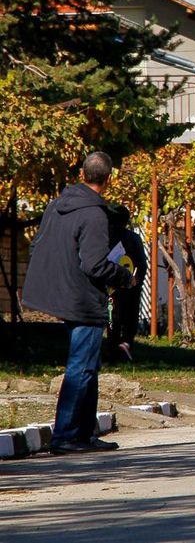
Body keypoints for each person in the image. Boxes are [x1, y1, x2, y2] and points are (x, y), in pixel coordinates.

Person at [22, 151, 134, 454]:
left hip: (58, 289)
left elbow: (38, 246)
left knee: (88, 365)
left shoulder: (57, 205)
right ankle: (66, 435)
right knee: (81, 367)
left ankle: (84, 433)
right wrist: (124, 277)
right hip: (82, 296)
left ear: (82, 174)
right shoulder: (95, 214)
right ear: (108, 179)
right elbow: (95, 265)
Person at [106, 204, 147, 360]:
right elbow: (142, 264)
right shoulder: (133, 238)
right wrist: (137, 280)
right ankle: (127, 344)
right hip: (131, 285)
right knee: (129, 319)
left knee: (112, 319)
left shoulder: (106, 238)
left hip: (111, 286)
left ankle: (112, 349)